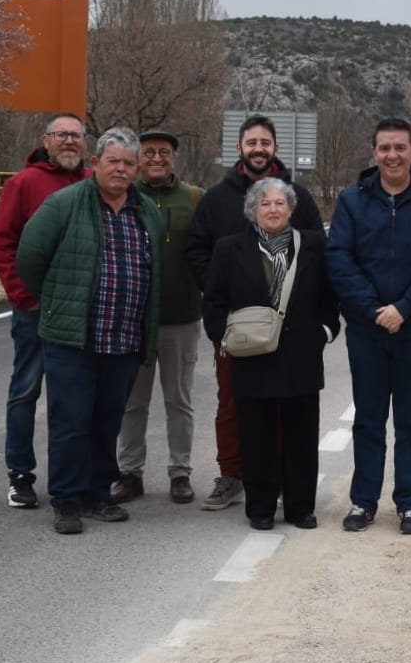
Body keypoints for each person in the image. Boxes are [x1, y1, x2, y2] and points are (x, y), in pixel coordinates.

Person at [16, 128, 162, 534]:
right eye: (113, 160)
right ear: (95, 163)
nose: (121, 169)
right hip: (72, 339)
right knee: (70, 421)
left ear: (136, 169)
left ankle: (98, 494)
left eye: (128, 163)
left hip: (123, 338)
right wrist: (55, 301)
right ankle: (66, 500)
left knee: (107, 421)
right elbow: (30, 257)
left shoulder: (146, 211)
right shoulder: (64, 204)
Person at [187, 115, 324, 511]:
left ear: (275, 148)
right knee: (233, 404)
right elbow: (196, 249)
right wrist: (222, 287)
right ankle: (232, 475)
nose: (258, 149)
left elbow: (319, 254)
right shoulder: (216, 199)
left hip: (290, 329)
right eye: (252, 142)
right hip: (238, 328)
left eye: (265, 142)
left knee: (286, 408)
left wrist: (321, 326)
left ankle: (278, 482)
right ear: (239, 148)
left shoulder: (298, 197)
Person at [327, 117, 411, 535]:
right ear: (374, 153)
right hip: (366, 331)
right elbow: (339, 260)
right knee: (368, 419)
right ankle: (363, 502)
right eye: (385, 148)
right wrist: (373, 310)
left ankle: (409, 502)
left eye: (400, 147)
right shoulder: (352, 201)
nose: (392, 155)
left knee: (410, 421)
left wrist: (403, 308)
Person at [203, 178, 339, 530]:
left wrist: (326, 331)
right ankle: (260, 508)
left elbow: (331, 294)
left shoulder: (313, 245)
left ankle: (300, 507)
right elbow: (214, 301)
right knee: (256, 436)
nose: (273, 209)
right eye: (265, 204)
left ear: (291, 209)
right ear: (253, 210)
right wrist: (223, 340)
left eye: (280, 203)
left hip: (301, 355)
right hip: (251, 357)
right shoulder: (229, 248)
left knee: (301, 436)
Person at [0, 112, 90, 509]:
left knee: (76, 396)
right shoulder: (23, 183)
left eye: (76, 135)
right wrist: (22, 296)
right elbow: (2, 243)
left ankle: (75, 477)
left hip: (81, 309)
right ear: (45, 141)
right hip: (36, 309)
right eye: (60, 134)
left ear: (85, 143)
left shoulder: (92, 183)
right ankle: (20, 474)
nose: (69, 141)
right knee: (26, 390)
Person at [112, 128, 204, 506]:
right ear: (137, 159)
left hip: (182, 318)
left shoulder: (194, 198)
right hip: (134, 320)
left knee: (178, 401)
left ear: (173, 158)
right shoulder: (124, 196)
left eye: (163, 152)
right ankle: (129, 472)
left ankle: (180, 473)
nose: (156, 158)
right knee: (132, 403)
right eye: (148, 152)